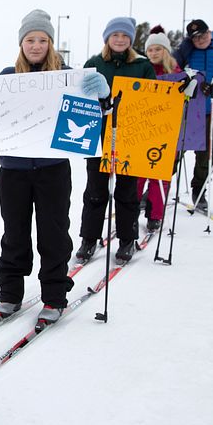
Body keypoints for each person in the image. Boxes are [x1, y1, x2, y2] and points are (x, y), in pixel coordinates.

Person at [0, 9, 109, 328]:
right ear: (21, 43)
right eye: (30, 39)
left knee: (54, 233)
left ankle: (54, 297)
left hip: (53, 169)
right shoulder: (5, 77)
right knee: (14, 233)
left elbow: (93, 117)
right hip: (13, 169)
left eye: (42, 39)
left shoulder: (69, 75)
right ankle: (9, 294)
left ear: (51, 43)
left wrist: (99, 95)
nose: (36, 45)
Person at [75, 17, 156, 263]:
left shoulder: (142, 65)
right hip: (98, 136)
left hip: (130, 137)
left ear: (131, 39)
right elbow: (80, 94)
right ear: (107, 38)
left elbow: (153, 99)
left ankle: (127, 239)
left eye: (124, 36)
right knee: (95, 191)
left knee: (126, 192)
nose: (120, 40)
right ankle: (89, 238)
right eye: (115, 35)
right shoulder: (94, 63)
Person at [173, 19, 213, 211]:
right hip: (187, 113)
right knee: (172, 153)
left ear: (210, 33)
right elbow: (170, 67)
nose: (200, 40)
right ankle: (155, 190)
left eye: (203, 35)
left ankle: (198, 189)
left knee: (208, 155)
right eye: (195, 38)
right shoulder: (185, 55)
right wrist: (184, 48)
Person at [137, 25, 181, 231]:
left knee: (160, 176)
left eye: (157, 49)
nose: (153, 53)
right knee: (138, 174)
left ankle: (155, 214)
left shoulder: (176, 72)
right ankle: (131, 208)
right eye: (150, 50)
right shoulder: (143, 69)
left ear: (166, 50)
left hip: (166, 131)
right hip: (143, 128)